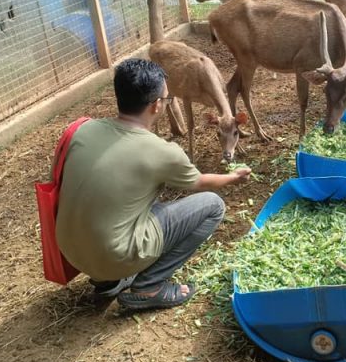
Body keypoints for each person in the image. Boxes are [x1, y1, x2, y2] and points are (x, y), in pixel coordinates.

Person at [56, 58, 251, 311]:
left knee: (139, 200)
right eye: (168, 100)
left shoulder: (82, 130)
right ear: (157, 105)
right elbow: (200, 182)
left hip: (73, 253)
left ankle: (108, 282)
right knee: (213, 205)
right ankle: (150, 285)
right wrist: (234, 177)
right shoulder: (162, 151)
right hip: (113, 255)